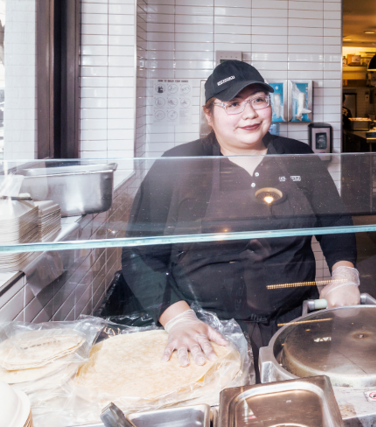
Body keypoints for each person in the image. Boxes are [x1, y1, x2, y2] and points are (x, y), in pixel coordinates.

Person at [122, 60, 360, 367]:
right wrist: (178, 319)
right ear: (209, 113)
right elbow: (138, 255)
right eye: (233, 104)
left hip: (295, 322)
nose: (249, 114)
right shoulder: (177, 165)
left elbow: (335, 222)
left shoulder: (297, 156)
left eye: (258, 100)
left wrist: (343, 273)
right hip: (207, 332)